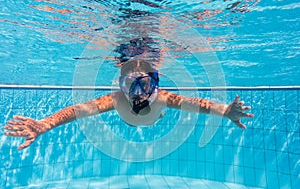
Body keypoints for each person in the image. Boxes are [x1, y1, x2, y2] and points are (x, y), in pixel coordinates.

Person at [4, 59, 254, 150]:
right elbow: (76, 111)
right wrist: (45, 124)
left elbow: (194, 103)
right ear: (120, 85)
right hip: (127, 119)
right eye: (129, 85)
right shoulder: (115, 100)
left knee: (160, 114)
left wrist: (223, 110)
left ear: (154, 84)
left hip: (156, 117)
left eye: (143, 85)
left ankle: (159, 117)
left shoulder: (165, 98)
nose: (136, 93)